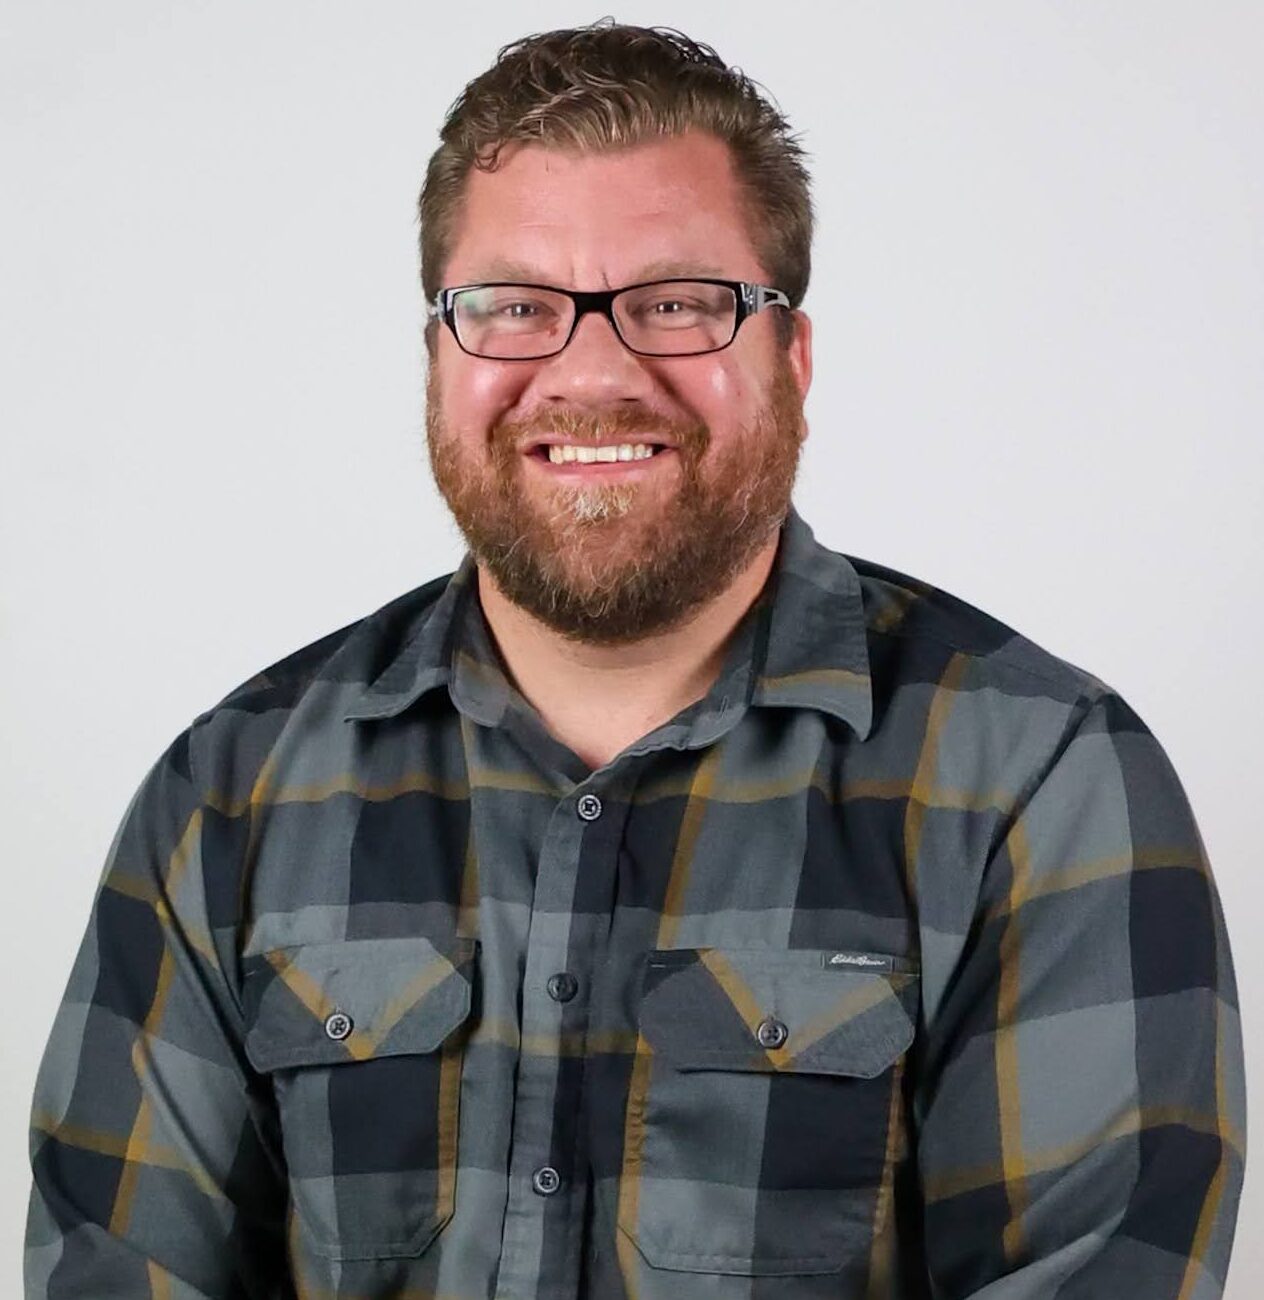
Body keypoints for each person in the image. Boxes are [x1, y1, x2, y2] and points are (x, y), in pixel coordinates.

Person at [25, 20, 1245, 1300]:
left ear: (792, 359)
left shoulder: (1038, 786)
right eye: (515, 307)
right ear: (438, 358)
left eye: (676, 304)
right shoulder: (229, 796)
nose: (592, 372)